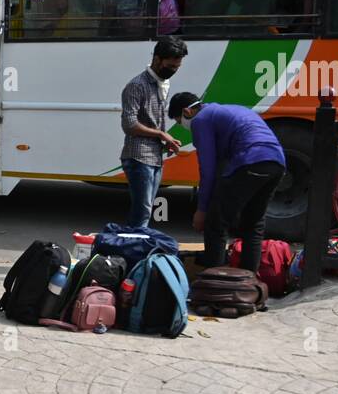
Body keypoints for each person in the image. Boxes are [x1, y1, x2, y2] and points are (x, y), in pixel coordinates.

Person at [168, 92, 287, 271]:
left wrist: (202, 210)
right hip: (277, 163)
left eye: (179, 121)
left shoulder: (201, 120)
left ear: (187, 111)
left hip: (250, 161)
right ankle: (248, 280)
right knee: (253, 224)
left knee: (216, 223)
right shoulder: (227, 111)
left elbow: (207, 170)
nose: (182, 125)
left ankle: (215, 281)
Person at [119, 36, 186, 227]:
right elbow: (129, 124)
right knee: (143, 212)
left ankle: (135, 246)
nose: (173, 71)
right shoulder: (136, 85)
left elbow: (153, 121)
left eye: (177, 67)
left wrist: (165, 139)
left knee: (144, 213)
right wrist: (161, 134)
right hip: (138, 156)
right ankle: (133, 248)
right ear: (157, 59)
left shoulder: (162, 84)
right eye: (171, 66)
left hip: (155, 156)